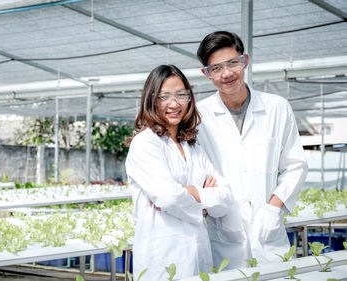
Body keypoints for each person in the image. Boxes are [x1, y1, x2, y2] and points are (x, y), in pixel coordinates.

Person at [196, 31, 308, 268]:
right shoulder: (198, 116)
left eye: (233, 63)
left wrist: (273, 208)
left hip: (268, 229)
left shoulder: (277, 108)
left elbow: (296, 166)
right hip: (223, 234)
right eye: (216, 68)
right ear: (206, 74)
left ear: (244, 60)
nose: (227, 74)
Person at [125, 64, 237, 280]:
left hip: (199, 253)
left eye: (181, 95)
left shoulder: (194, 147)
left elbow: (225, 197)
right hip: (162, 258)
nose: (174, 104)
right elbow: (169, 196)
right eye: (164, 97)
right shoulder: (145, 144)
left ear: (190, 99)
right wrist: (204, 200)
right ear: (151, 99)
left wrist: (189, 193)